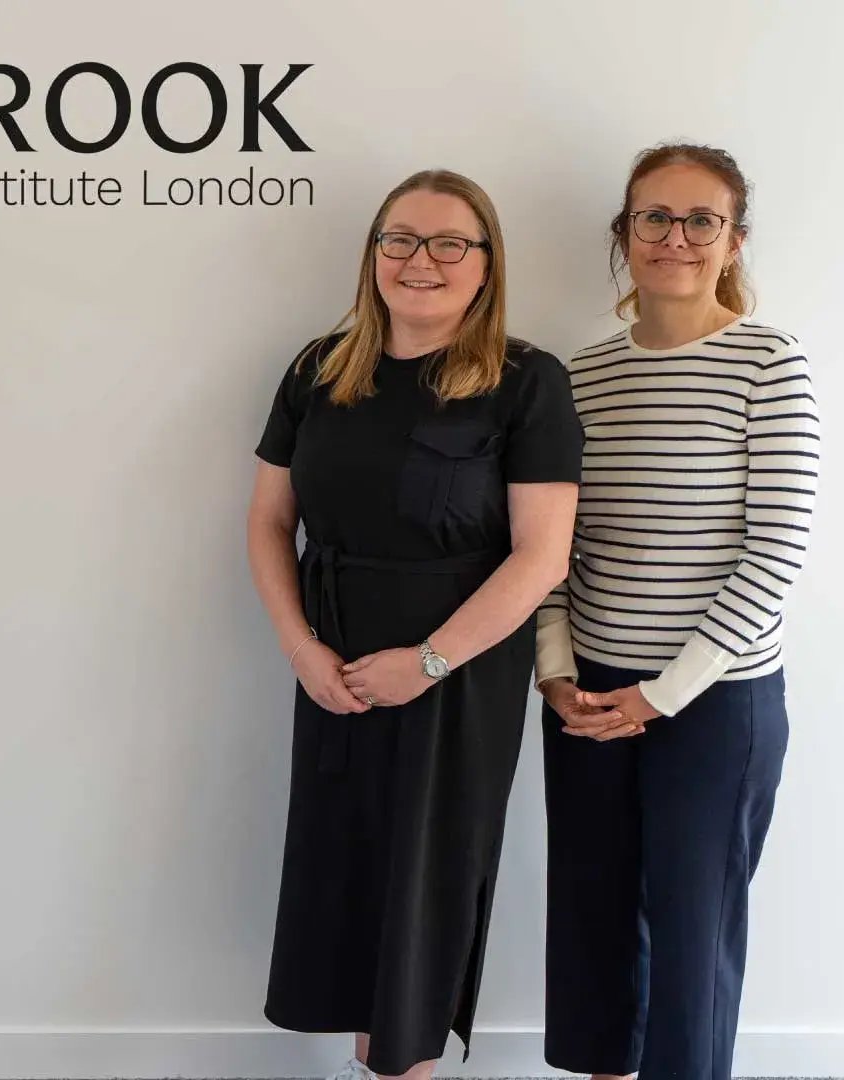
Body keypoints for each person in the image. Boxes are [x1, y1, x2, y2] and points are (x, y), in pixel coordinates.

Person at [245, 170, 583, 1080]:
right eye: (399, 239)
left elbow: (540, 557)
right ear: (373, 255)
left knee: (424, 892)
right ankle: (373, 1065)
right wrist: (302, 648)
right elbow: (270, 522)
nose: (420, 260)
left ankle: (404, 1069)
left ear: (485, 266)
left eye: (448, 243)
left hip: (457, 674)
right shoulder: (320, 366)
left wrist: (427, 663)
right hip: (333, 666)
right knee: (350, 881)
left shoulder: (527, 381)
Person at [536, 143, 818, 1080]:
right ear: (625, 235)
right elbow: (551, 548)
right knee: (594, 922)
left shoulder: (768, 365)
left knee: (693, 938)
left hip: (714, 703)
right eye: (654, 217)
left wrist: (665, 692)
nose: (677, 238)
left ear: (734, 241)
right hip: (589, 697)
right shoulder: (580, 376)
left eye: (703, 220)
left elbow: (774, 554)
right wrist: (557, 670)